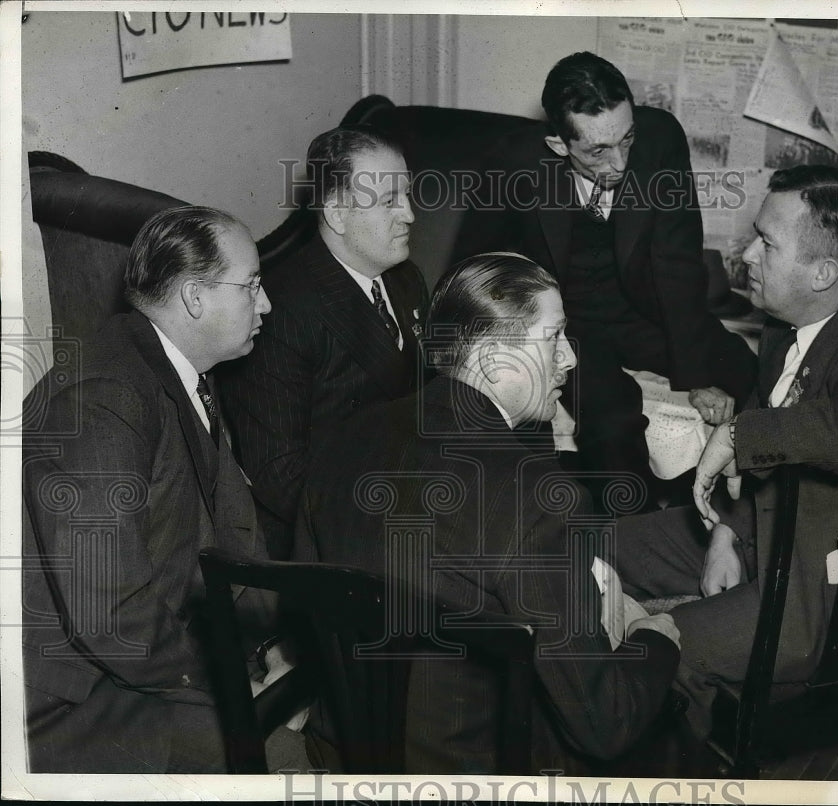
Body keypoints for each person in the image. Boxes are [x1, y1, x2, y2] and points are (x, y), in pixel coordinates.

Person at [294, 253, 681, 775]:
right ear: (495, 356)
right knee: (664, 723)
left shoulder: (344, 437)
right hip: (472, 773)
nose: (569, 358)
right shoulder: (535, 494)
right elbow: (603, 724)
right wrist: (656, 636)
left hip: (344, 749)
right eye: (554, 337)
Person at [613, 165, 838, 738]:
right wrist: (725, 534)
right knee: (587, 550)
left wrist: (740, 435)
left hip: (832, 599)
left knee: (651, 655)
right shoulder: (786, 325)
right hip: (767, 532)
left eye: (767, 242)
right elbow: (773, 429)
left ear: (823, 273)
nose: (747, 255)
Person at [21, 206, 285, 772]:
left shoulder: (183, 373)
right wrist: (231, 684)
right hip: (75, 701)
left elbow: (232, 532)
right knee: (267, 759)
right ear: (194, 298)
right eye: (253, 286)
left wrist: (269, 647)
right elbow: (107, 615)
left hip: (137, 663)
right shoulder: (101, 400)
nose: (265, 304)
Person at [452, 51, 756, 511]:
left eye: (626, 139)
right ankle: (631, 542)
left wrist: (696, 376)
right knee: (612, 420)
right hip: (566, 326)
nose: (619, 163)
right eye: (597, 151)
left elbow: (677, 262)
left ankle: (748, 524)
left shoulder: (660, 139)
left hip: (640, 310)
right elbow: (476, 270)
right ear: (559, 145)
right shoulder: (511, 162)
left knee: (752, 370)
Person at [220, 125, 429, 558]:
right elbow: (278, 475)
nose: (409, 214)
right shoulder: (282, 311)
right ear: (336, 214)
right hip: (335, 538)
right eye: (389, 201)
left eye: (406, 196)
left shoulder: (407, 279)